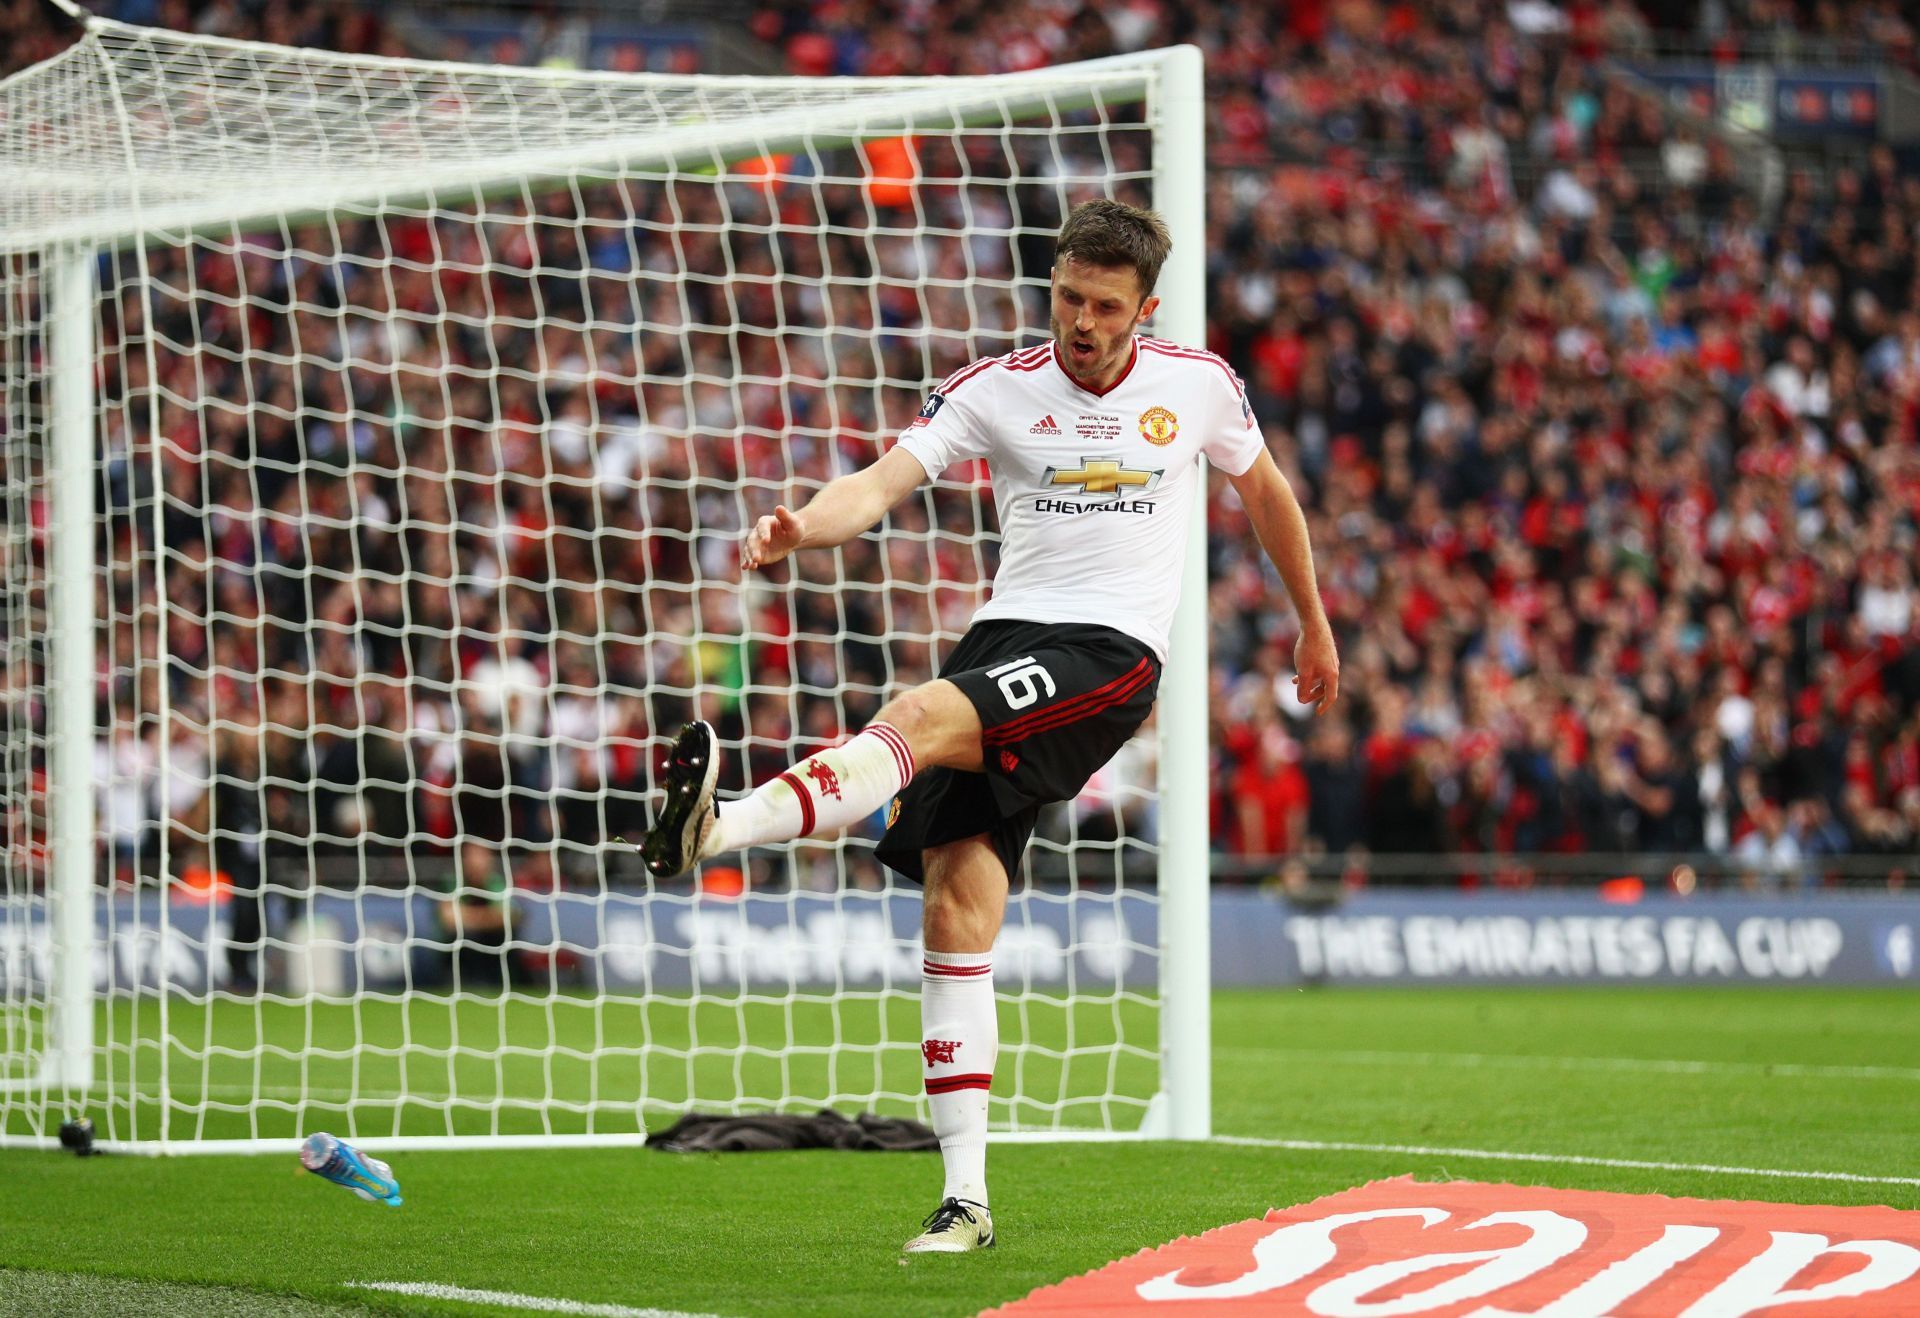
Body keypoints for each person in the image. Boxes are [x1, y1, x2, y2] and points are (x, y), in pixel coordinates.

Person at [643, 199, 1339, 1253]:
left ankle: (724, 825)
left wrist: (1312, 622)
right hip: (1004, 639)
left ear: (1144, 308)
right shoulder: (996, 388)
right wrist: (800, 529)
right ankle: (966, 1200)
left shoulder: (1197, 386)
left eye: (1106, 305)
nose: (1083, 322)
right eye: (1068, 297)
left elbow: (1268, 492)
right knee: (957, 909)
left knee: (917, 714)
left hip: (1109, 654)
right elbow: (881, 480)